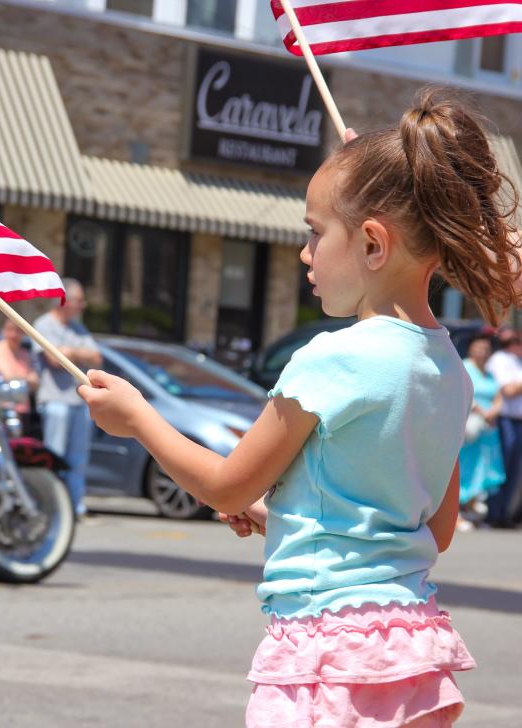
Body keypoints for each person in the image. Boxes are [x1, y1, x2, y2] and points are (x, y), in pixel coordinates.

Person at [79, 89, 521, 726]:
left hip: (326, 649)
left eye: (315, 234)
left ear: (373, 244)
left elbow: (225, 481)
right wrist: (280, 513)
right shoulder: (450, 370)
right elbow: (434, 528)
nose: (305, 254)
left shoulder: (332, 359)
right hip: (412, 653)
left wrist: (137, 417)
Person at [32, 279, 102, 518]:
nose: (83, 306)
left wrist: (70, 352)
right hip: (55, 401)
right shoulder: (44, 325)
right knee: (55, 457)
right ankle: (52, 508)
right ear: (64, 300)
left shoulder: (78, 329)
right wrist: (72, 354)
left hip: (78, 403)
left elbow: (96, 358)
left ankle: (74, 508)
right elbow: (53, 360)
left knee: (78, 459)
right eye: (79, 300)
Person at [457, 332, 504, 530]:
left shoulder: (490, 373)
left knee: (480, 469)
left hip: (486, 429)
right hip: (467, 428)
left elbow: (499, 394)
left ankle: (470, 513)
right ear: (471, 349)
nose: (482, 352)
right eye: (479, 348)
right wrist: (480, 411)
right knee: (463, 469)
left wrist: (493, 411)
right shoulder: (464, 367)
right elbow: (461, 391)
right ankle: (456, 515)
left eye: (485, 349)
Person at [484, 328, 522, 527]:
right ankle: (494, 513)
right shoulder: (500, 359)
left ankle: (505, 514)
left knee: (515, 472)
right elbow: (508, 390)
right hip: (505, 420)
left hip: (518, 421)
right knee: (501, 469)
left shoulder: (516, 362)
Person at [0, 318, 39, 414]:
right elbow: (9, 376)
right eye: (9, 329)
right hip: (2, 408)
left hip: (23, 408)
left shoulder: (25, 354)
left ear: (23, 333)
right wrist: (27, 380)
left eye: (18, 331)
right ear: (3, 331)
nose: (13, 334)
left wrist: (25, 380)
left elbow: (35, 383)